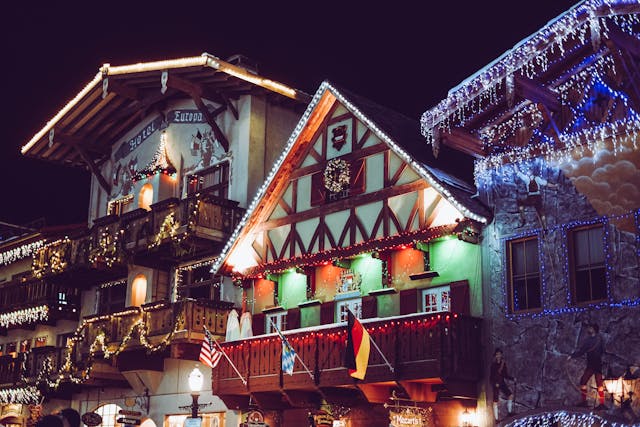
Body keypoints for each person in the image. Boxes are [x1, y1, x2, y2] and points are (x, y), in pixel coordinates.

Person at [568, 323, 607, 410]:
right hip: (597, 364)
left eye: (590, 327)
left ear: (593, 329)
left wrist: (572, 356)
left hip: (592, 364)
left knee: (584, 381)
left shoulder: (590, 340)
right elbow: (602, 351)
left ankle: (585, 401)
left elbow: (582, 351)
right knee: (598, 383)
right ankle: (601, 403)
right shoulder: (600, 339)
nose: (588, 329)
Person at [490, 348, 515, 421]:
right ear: (495, 355)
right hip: (496, 383)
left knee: (510, 395)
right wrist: (494, 383)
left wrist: (512, 378)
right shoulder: (493, 365)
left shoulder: (503, 364)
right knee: (495, 401)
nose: (498, 355)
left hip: (501, 382)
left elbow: (505, 374)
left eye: (500, 354)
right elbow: (492, 376)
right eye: (497, 354)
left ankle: (509, 413)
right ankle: (496, 419)